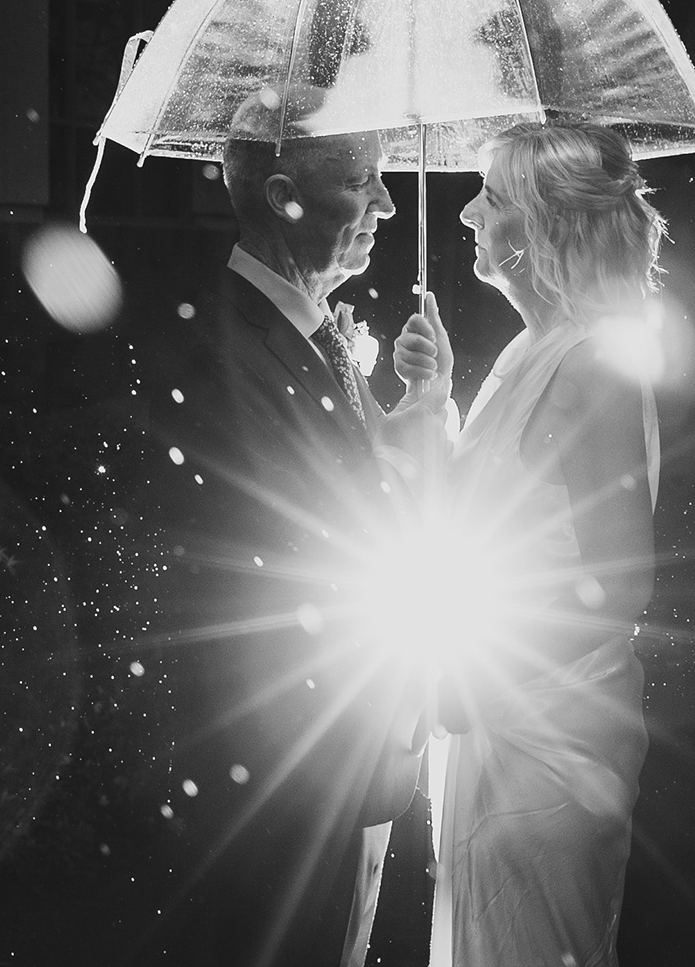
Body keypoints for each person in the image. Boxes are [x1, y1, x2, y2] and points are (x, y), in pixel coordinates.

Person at [140, 85, 446, 967]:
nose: (388, 203)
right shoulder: (227, 350)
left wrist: (403, 413)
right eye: (362, 180)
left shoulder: (305, 334)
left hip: (336, 754)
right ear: (283, 197)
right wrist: (409, 455)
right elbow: (305, 544)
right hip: (288, 769)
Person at [392, 120, 663, 967]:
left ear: (547, 226)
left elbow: (623, 584)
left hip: (554, 743)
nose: (467, 214)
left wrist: (483, 680)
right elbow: (490, 518)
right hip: (499, 720)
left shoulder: (592, 365)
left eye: (491, 198)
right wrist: (433, 396)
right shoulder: (531, 350)